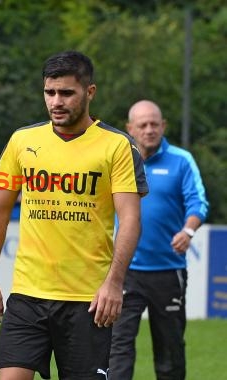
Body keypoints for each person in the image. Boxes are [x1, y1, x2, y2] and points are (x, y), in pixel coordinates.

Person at [0, 50, 148, 380]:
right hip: (28, 294)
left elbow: (130, 219)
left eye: (67, 93)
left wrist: (114, 283)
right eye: (50, 92)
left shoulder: (117, 146)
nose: (56, 101)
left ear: (89, 92)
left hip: (89, 300)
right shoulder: (22, 141)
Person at [109, 100, 209, 380]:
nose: (149, 130)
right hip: (123, 272)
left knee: (170, 350)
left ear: (163, 125)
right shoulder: (118, 161)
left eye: (155, 124)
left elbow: (198, 203)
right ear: (130, 129)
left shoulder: (182, 160)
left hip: (168, 272)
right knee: (118, 347)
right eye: (142, 125)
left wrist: (188, 230)